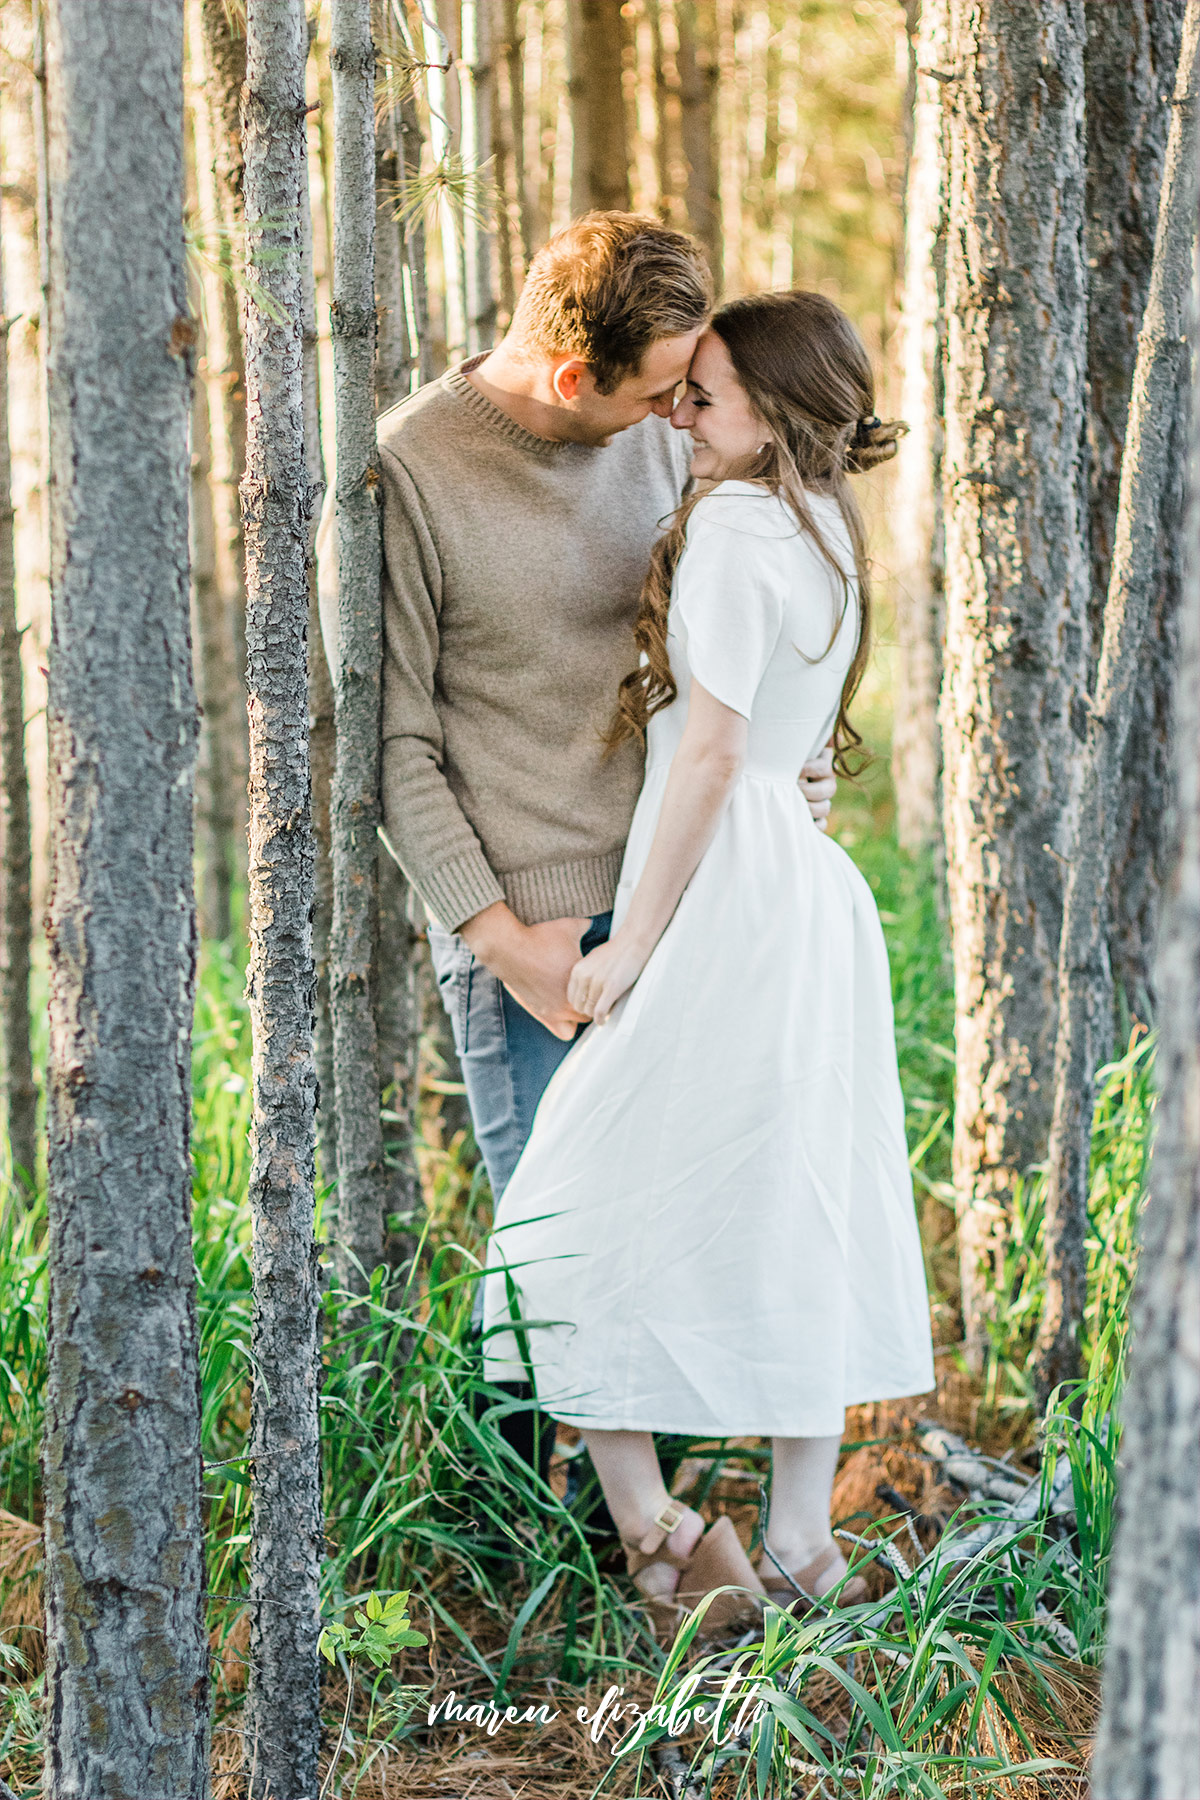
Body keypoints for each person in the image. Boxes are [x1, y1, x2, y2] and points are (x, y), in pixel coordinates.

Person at [481, 290, 936, 1634]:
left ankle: (658, 1527)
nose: (682, 414)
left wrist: (636, 947)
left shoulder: (737, 527)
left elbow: (723, 757)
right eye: (684, 393)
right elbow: (782, 746)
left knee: (565, 1209)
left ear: (777, 413)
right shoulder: (824, 527)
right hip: (805, 898)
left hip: (728, 896)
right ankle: (796, 1539)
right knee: (791, 1199)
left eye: (707, 397)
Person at [318, 212, 836, 1203]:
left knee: (684, 1241)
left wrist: (784, 760)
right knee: (555, 1254)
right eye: (655, 395)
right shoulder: (403, 477)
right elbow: (393, 743)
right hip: (539, 932)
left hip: (687, 891)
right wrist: (505, 943)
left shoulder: (666, 436)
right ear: (569, 378)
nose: (677, 416)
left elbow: (738, 621)